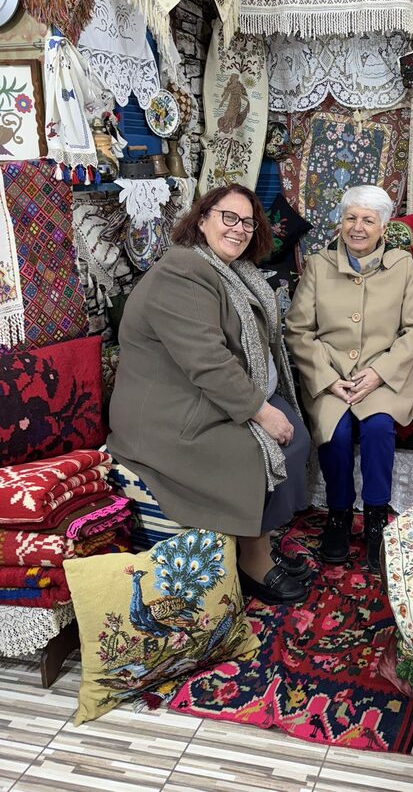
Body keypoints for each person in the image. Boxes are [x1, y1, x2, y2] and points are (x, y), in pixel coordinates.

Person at [108, 184, 311, 605]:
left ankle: (262, 543)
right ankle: (253, 561)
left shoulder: (231, 272)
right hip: (172, 415)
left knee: (298, 434)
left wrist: (269, 405)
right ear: (202, 220)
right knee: (263, 447)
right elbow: (208, 361)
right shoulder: (182, 272)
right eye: (228, 217)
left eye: (248, 222)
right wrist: (260, 410)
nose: (238, 229)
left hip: (201, 396)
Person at [284, 185, 413, 572]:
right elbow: (298, 331)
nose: (358, 227)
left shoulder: (401, 265)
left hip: (383, 374)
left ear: (383, 227)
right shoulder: (319, 265)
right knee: (336, 432)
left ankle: (376, 518)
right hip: (330, 374)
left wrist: (380, 373)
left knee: (379, 427)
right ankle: (338, 515)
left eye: (368, 220)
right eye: (351, 217)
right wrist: (328, 379)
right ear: (341, 222)